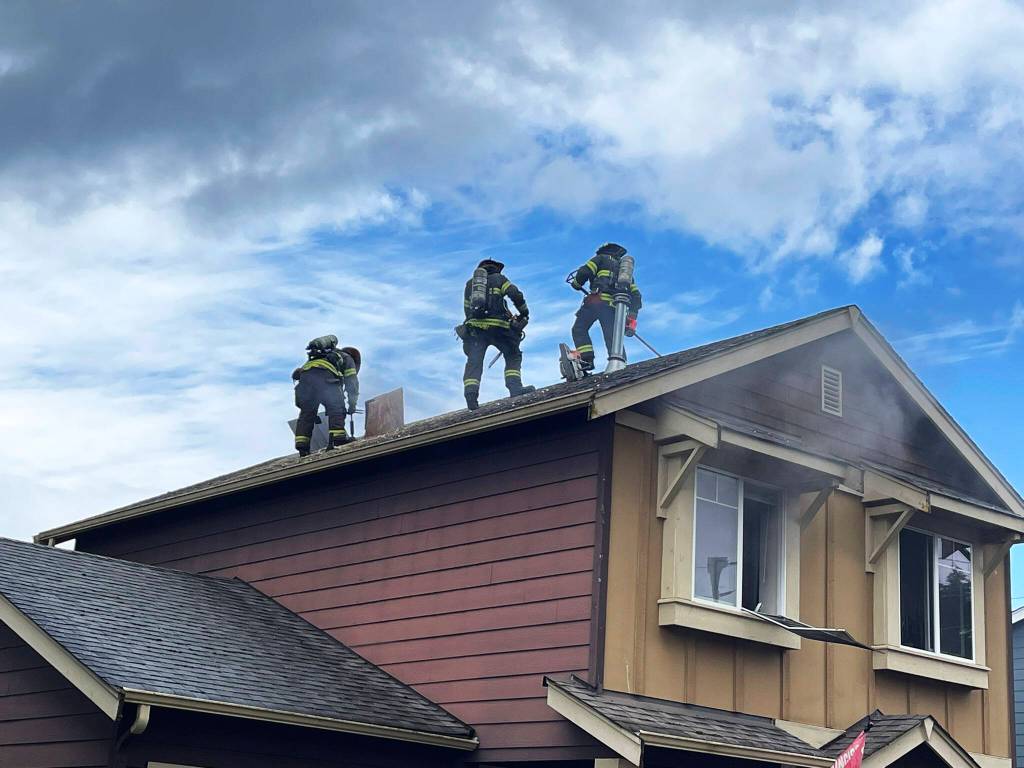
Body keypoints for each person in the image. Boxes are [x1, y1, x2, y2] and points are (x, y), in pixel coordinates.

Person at [458, 258, 535, 410]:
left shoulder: (470, 284)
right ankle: (515, 388)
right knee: (513, 354)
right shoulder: (500, 279)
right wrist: (524, 311)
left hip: (476, 329)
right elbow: (516, 294)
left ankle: (471, 397)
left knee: (474, 362)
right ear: (497, 269)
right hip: (499, 328)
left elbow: (468, 311)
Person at [569, 242, 642, 371]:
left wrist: (576, 283)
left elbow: (584, 271)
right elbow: (636, 296)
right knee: (613, 337)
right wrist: (631, 317)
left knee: (579, 329)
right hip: (614, 308)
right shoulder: (624, 272)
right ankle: (621, 365)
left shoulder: (600, 259)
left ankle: (587, 360)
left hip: (596, 301)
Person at [291, 335, 359, 456]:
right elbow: (352, 384)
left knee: (307, 413)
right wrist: (352, 405)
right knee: (336, 408)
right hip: (325, 379)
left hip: (305, 383)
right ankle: (338, 439)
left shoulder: (315, 358)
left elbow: (301, 376)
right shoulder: (347, 358)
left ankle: (302, 446)